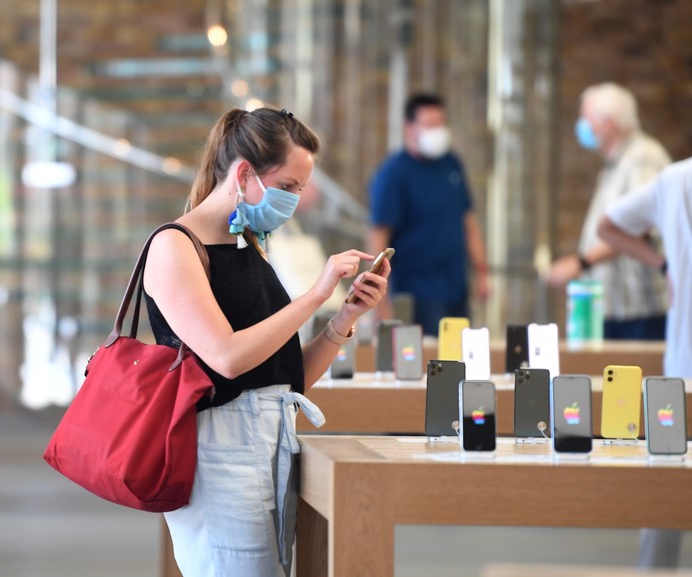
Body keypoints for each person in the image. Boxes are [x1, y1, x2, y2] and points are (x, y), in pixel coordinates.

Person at [142, 107, 389, 577]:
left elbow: (284, 377)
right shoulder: (174, 246)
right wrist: (317, 293)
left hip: (272, 437)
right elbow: (228, 358)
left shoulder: (249, 244)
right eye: (289, 187)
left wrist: (344, 317)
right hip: (220, 449)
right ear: (243, 173)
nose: (296, 200)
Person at [598, 157, 692, 569]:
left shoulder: (675, 178)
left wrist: (666, 265)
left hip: (683, 354)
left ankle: (656, 568)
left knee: (668, 469)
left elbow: (607, 226)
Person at [548, 83, 670, 340]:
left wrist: (581, 262)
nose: (581, 124)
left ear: (609, 124)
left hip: (639, 310)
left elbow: (640, 227)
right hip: (616, 309)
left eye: (586, 117)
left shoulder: (641, 159)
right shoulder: (616, 161)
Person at [368, 93, 488, 336]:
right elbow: (378, 235)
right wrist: (379, 301)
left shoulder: (451, 164)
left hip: (456, 287)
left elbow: (468, 221)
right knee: (427, 363)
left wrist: (481, 272)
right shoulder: (394, 173)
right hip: (416, 293)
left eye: (441, 124)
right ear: (409, 128)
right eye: (430, 124)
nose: (438, 131)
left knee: (458, 358)